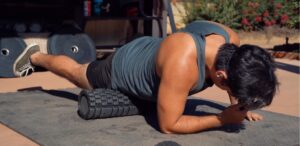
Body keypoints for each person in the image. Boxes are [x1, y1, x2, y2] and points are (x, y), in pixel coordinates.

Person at [13, 20, 278, 134]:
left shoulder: (230, 40)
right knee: (77, 73)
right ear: (220, 76)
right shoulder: (183, 65)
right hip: (122, 67)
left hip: (154, 51)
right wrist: (222, 118)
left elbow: (234, 71)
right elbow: (169, 125)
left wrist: (240, 103)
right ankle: (36, 56)